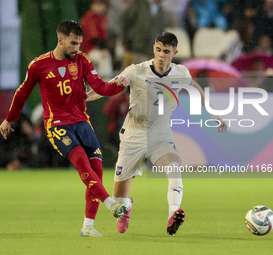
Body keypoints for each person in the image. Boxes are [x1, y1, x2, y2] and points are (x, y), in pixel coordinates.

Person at [87, 32, 227, 235]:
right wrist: (83, 97)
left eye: (166, 51)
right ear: (154, 48)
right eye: (158, 50)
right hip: (133, 136)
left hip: (160, 136)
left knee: (175, 172)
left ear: (175, 52)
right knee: (118, 199)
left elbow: (197, 89)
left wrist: (214, 113)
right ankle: (127, 207)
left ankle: (173, 214)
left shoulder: (181, 73)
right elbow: (108, 88)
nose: (161, 55)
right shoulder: (136, 71)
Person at [0, 20, 129, 237]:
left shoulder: (82, 60)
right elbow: (22, 93)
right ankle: (110, 203)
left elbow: (99, 87)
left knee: (97, 171)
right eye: (72, 43)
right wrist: (9, 119)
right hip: (57, 124)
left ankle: (88, 227)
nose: (76, 48)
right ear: (60, 40)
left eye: (79, 43)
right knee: (80, 161)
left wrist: (119, 84)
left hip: (81, 121)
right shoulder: (38, 65)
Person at [80, 0, 113, 77]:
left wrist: (104, 49)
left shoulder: (103, 18)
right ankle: (105, 86)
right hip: (87, 50)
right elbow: (94, 38)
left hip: (97, 49)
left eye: (101, 4)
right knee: (104, 58)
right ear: (92, 5)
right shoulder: (88, 17)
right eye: (96, 4)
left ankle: (102, 86)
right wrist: (102, 50)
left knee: (105, 58)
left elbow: (104, 38)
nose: (99, 7)